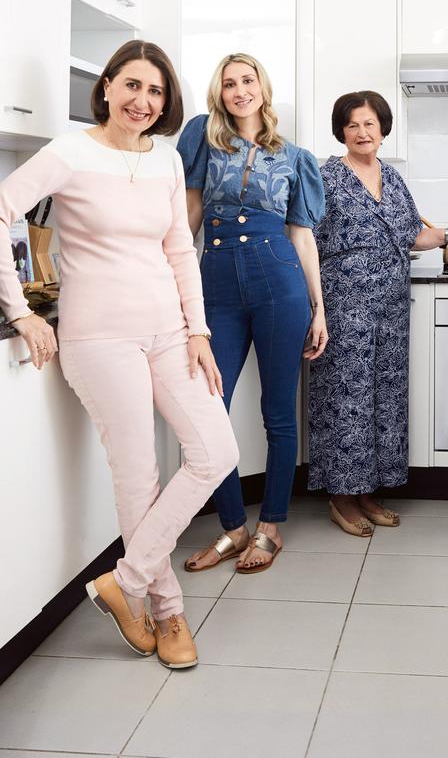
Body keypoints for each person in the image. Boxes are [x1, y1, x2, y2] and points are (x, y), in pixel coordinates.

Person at [0, 40, 239, 669]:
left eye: (155, 91)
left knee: (217, 451)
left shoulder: (163, 159)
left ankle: (125, 582)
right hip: (100, 336)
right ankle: (167, 610)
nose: (142, 101)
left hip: (169, 331)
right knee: (139, 478)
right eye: (131, 86)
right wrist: (19, 309)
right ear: (106, 87)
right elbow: (2, 212)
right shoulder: (69, 151)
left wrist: (199, 331)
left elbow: (179, 249)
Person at [308, 90, 448, 535]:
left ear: (383, 129)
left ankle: (367, 490)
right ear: (341, 130)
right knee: (345, 400)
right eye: (353, 124)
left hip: (391, 308)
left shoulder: (390, 178)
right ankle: (341, 496)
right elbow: (306, 240)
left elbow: (413, 233)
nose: (362, 132)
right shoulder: (325, 177)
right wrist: (314, 306)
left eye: (370, 124)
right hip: (344, 305)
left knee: (383, 399)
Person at [177, 52, 326, 574]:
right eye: (229, 83)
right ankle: (233, 527)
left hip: (277, 277)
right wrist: (168, 275)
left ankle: (271, 527)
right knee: (207, 407)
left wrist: (319, 306)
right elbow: (189, 215)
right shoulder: (202, 137)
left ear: (263, 86)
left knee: (279, 412)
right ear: (218, 93)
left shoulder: (295, 157)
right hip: (215, 277)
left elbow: (302, 235)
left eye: (248, 80)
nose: (240, 90)